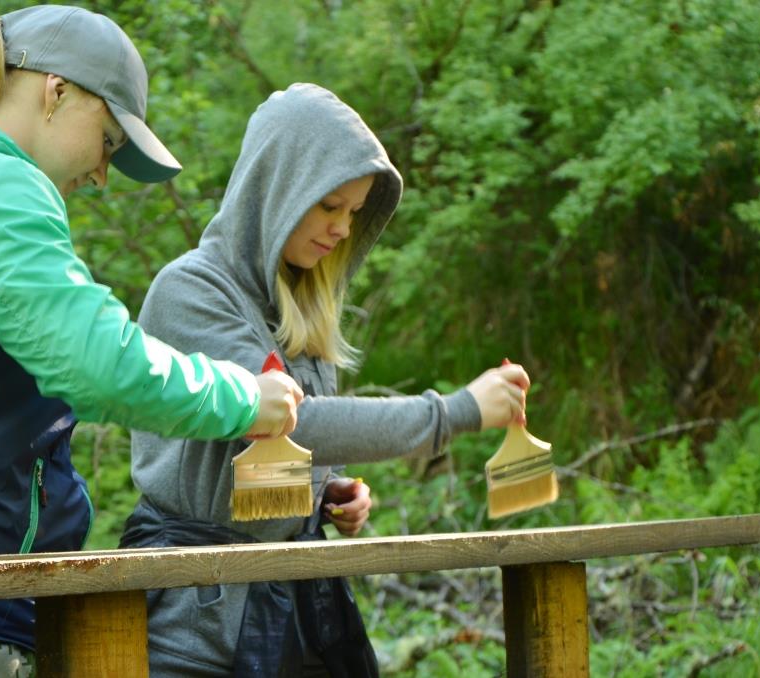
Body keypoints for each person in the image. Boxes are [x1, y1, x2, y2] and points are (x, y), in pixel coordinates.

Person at [0, 6, 303, 677]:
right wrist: (248, 398)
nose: (100, 174)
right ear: (56, 90)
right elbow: (97, 364)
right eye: (110, 140)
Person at [122, 83, 531, 677]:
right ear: (279, 189)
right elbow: (291, 420)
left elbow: (286, 452)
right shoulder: (192, 293)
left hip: (291, 617)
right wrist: (456, 410)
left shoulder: (302, 310)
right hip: (193, 628)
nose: (342, 228)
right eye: (329, 205)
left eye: (354, 213)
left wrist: (327, 489)